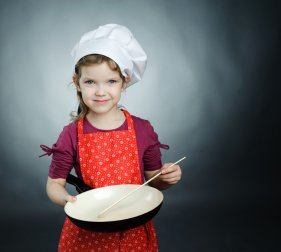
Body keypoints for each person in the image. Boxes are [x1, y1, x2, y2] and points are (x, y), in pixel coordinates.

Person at [40, 24, 182, 252]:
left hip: (133, 230)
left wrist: (165, 177)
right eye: (90, 82)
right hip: (87, 230)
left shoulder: (143, 129)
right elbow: (54, 184)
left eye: (111, 82)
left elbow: (152, 181)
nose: (100, 91)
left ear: (124, 81)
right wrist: (67, 200)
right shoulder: (71, 134)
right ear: (77, 82)